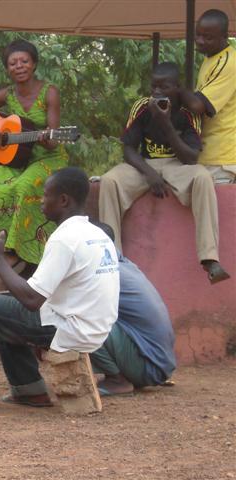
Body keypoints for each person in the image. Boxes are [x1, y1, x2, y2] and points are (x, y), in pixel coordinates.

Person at [0, 167, 120, 418]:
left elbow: (32, 299)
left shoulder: (65, 238)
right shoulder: (96, 233)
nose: (41, 201)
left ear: (63, 200)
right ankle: (30, 390)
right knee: (0, 307)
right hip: (94, 326)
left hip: (71, 328)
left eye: (46, 195)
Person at [99, 62, 230, 284]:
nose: (157, 92)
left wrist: (165, 123)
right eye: (154, 87)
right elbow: (128, 149)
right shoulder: (142, 106)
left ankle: (210, 258)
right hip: (145, 165)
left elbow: (190, 158)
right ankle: (112, 257)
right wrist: (150, 174)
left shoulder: (189, 112)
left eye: (164, 87)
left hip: (178, 166)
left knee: (202, 178)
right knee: (110, 181)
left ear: (177, 88)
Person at [0, 39, 68, 276]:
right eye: (12, 63)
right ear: (7, 69)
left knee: (25, 186)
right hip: (17, 160)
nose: (19, 66)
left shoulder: (49, 92)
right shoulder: (6, 94)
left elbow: (53, 140)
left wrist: (43, 137)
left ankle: (17, 251)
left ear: (35, 64)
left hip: (47, 158)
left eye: (24, 61)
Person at [89, 222, 176, 396]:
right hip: (157, 364)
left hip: (149, 367)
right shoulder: (124, 265)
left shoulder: (105, 272)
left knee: (81, 318)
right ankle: (119, 375)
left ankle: (117, 380)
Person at [180, 9, 236, 184]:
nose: (200, 41)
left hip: (222, 158)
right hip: (207, 153)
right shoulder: (210, 58)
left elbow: (198, 106)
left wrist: (175, 88)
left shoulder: (228, 62)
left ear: (225, 36)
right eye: (198, 35)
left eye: (208, 37)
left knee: (216, 210)